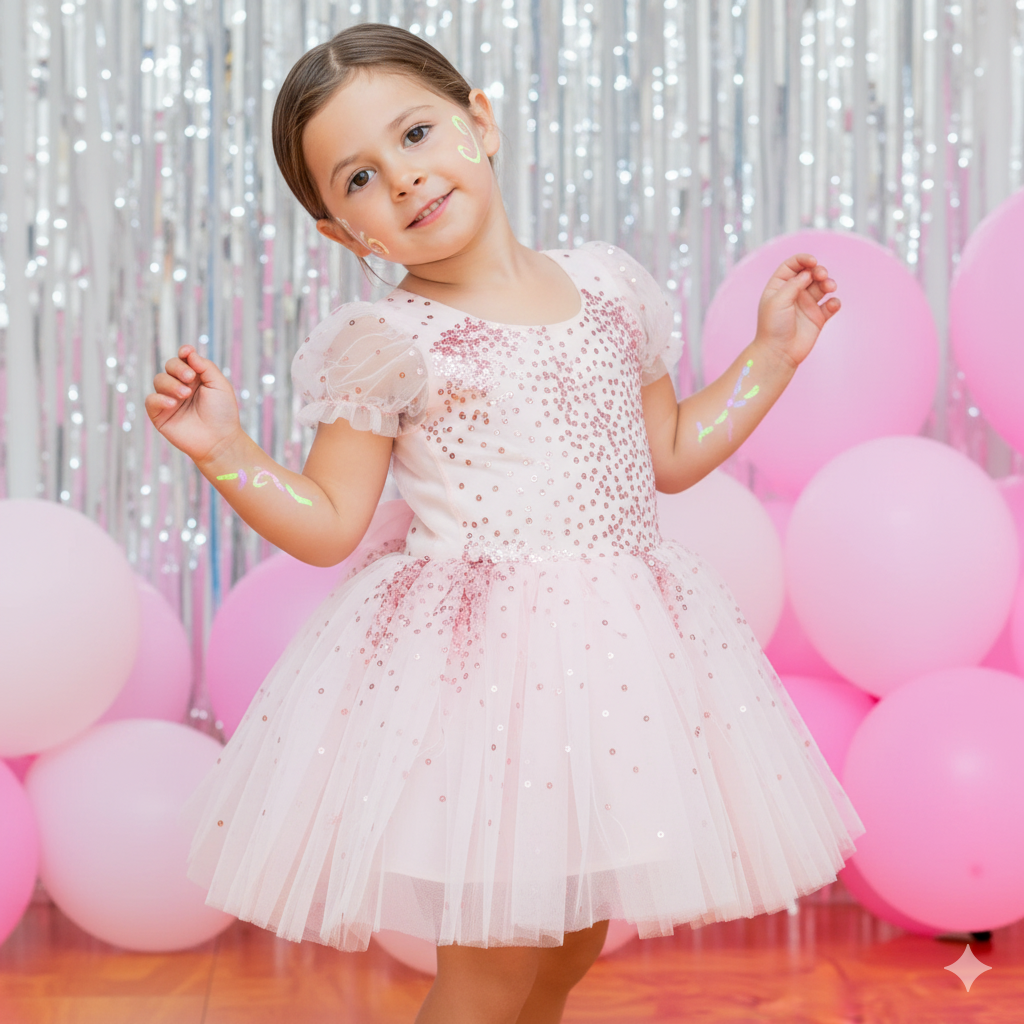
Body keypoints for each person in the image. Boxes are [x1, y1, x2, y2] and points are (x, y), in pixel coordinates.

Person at [146, 22, 863, 1024]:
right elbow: (326, 524)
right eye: (354, 179)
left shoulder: (608, 286)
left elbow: (668, 452)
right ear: (341, 233)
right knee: (486, 971)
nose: (399, 179)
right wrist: (224, 449)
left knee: (564, 948)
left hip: (613, 663)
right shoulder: (387, 342)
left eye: (414, 134)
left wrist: (772, 357)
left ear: (478, 122)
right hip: (482, 682)